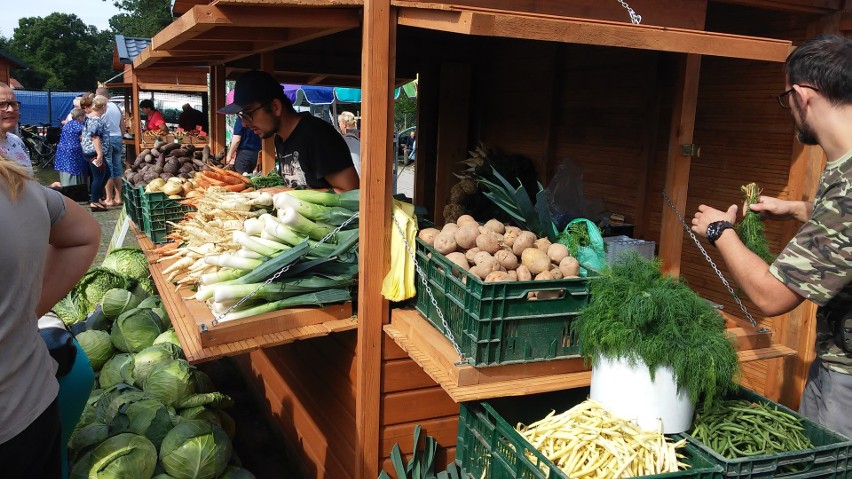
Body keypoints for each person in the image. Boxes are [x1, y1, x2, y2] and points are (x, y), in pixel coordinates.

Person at [690, 35, 852, 437]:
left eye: (785, 98)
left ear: (802, 95)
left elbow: (772, 296)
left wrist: (719, 231)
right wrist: (798, 210)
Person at [0, 155, 100, 478]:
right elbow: (86, 233)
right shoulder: (20, 187)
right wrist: (24, 314)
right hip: (32, 411)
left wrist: (26, 312)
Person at [218, 70, 358, 192]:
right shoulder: (280, 138)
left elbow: (350, 192)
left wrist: (288, 193)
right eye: (241, 116)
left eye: (249, 113)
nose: (244, 123)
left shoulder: (317, 135)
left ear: (275, 107)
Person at [97, 87, 126, 207]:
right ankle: (119, 197)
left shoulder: (101, 108)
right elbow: (122, 125)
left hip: (107, 138)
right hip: (118, 137)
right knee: (117, 168)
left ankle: (109, 199)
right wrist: (121, 136)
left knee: (108, 169)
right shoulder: (116, 106)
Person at [82, 95, 111, 212]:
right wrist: (99, 154)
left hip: (92, 152)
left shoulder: (90, 118)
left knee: (106, 173)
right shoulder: (96, 120)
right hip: (94, 153)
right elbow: (95, 137)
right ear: (103, 106)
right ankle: (94, 201)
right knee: (99, 176)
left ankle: (97, 197)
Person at [0, 82, 32, 172]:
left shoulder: (16, 140)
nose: (11, 109)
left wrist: (41, 186)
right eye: (1, 104)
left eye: (13, 104)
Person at [54, 108, 88, 187]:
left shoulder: (67, 124)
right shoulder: (79, 126)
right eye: (83, 117)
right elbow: (86, 137)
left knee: (65, 169)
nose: (84, 119)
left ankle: (65, 185)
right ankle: (74, 187)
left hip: (62, 150)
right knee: (73, 170)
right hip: (73, 151)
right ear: (79, 117)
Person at [338, 111, 361, 177]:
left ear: (344, 125)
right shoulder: (359, 142)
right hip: (362, 178)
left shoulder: (341, 141)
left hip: (351, 179)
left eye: (339, 123)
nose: (339, 125)